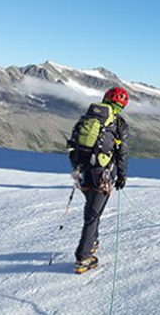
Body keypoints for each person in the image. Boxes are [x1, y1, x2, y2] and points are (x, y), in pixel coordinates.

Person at [67, 87, 130, 274]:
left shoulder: (86, 118)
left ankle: (92, 242)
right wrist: (121, 176)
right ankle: (83, 258)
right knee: (93, 215)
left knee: (91, 207)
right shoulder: (118, 124)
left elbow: (74, 144)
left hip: (82, 171)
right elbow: (122, 153)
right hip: (102, 174)